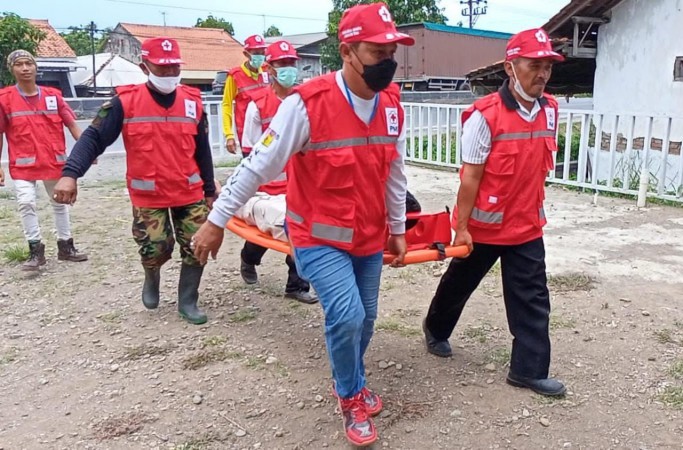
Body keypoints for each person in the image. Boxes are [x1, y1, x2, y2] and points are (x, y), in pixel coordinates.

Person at [191, 3, 414, 445]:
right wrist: (216, 219)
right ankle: (349, 394)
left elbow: (395, 172)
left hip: (368, 235)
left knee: (366, 318)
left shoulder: (390, 107)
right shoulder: (307, 106)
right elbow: (257, 166)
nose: (388, 62)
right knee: (347, 314)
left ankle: (351, 377)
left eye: (393, 52)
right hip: (318, 235)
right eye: (377, 52)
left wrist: (398, 227)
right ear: (348, 51)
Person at [422, 28, 567, 397]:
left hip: (526, 226)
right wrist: (462, 228)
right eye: (534, 65)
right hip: (484, 229)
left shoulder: (550, 111)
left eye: (547, 66)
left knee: (533, 297)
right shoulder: (484, 117)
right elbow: (470, 179)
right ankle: (435, 329)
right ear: (510, 67)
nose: (542, 74)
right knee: (459, 284)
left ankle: (528, 371)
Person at [52, 37, 216, 325]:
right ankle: (151, 276)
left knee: (196, 245)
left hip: (188, 190)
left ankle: (188, 299)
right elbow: (93, 139)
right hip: (148, 194)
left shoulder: (193, 102)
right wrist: (70, 174)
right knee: (155, 247)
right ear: (144, 66)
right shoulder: (124, 102)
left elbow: (202, 149)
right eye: (161, 68)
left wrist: (210, 189)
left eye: (174, 68)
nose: (169, 74)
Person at [236, 39, 317, 304]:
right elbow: (250, 152)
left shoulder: (306, 101)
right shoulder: (256, 105)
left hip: (299, 183)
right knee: (264, 235)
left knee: (302, 231)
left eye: (292, 63)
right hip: (268, 187)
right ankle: (248, 260)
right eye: (283, 64)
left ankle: (296, 285)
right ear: (270, 69)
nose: (289, 69)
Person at [0, 49, 87, 271]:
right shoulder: (5, 100)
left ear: (36, 67)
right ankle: (35, 251)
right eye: (19, 64)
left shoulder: (52, 96)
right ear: (12, 69)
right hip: (22, 165)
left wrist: (88, 150)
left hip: (53, 162)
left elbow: (72, 124)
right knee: (26, 202)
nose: (25, 68)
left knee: (60, 203)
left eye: (29, 63)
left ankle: (66, 247)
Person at [221, 34, 269, 155]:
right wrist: (229, 135)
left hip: (268, 131)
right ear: (246, 54)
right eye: (256, 52)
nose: (260, 56)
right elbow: (226, 105)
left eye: (262, 52)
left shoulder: (267, 71)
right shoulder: (235, 76)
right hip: (247, 135)